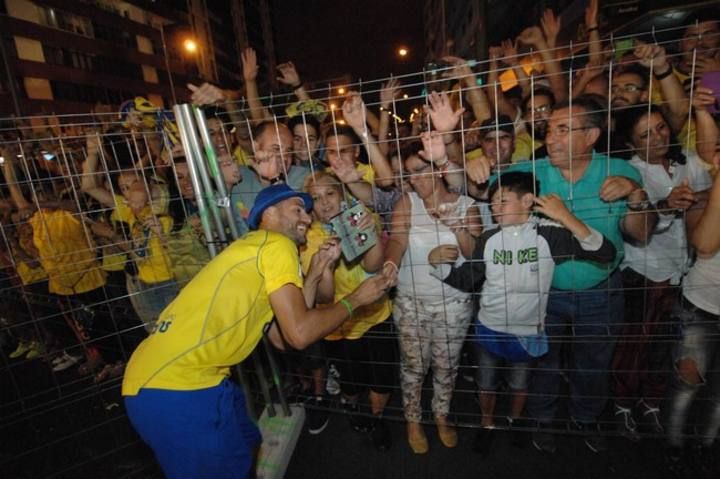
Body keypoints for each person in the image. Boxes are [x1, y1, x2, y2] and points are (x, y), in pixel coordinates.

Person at [122, 183, 395, 479]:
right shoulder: (276, 245)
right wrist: (356, 299)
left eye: (306, 210)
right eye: (297, 209)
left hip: (197, 378)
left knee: (248, 444)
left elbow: (281, 338)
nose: (306, 217)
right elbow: (300, 334)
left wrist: (315, 274)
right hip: (173, 389)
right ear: (269, 213)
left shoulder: (254, 250)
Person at [466, 96, 658, 454]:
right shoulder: (534, 171)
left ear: (592, 135)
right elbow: (483, 187)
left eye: (563, 130)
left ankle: (586, 419)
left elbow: (642, 232)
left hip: (600, 289)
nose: (551, 138)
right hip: (544, 294)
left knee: (594, 361)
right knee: (544, 360)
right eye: (550, 129)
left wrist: (636, 198)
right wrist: (477, 168)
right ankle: (542, 419)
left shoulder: (621, 172)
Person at [428, 171, 616, 454]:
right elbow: (467, 279)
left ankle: (515, 422)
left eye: (502, 201)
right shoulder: (488, 238)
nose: (494, 208)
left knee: (520, 383)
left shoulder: (550, 234)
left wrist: (565, 216)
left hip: (527, 330)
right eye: (492, 203)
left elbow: (605, 253)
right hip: (488, 326)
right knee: (487, 383)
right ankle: (487, 423)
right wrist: (437, 264)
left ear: (528, 200)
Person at [610, 106, 711, 439]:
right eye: (646, 134)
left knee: (666, 344)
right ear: (630, 143)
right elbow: (639, 230)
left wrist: (696, 197)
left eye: (661, 127)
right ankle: (622, 405)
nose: (658, 137)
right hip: (646, 273)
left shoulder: (687, 163)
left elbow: (715, 186)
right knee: (635, 344)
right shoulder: (629, 173)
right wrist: (667, 205)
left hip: (684, 272)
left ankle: (651, 402)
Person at [385, 140, 481, 454]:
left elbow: (474, 255)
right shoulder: (406, 203)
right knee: (413, 366)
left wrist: (456, 227)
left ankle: (441, 415)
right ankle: (413, 419)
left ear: (438, 170)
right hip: (411, 300)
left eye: (419, 171)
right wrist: (389, 264)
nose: (414, 179)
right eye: (410, 174)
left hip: (453, 303)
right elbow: (397, 241)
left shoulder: (466, 204)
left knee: (446, 366)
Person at [299, 171, 396, 449]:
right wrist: (325, 267)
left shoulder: (359, 217)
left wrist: (371, 234)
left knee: (382, 377)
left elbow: (372, 266)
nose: (325, 203)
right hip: (339, 325)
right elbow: (324, 297)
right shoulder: (308, 238)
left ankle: (377, 419)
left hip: (376, 314)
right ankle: (352, 408)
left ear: (342, 194)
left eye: (330, 194)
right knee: (352, 381)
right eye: (316, 198)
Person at [664, 168, 720, 476]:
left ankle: (705, 448)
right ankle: (673, 448)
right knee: (686, 385)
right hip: (701, 307)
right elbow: (706, 244)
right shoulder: (704, 200)